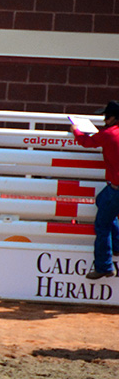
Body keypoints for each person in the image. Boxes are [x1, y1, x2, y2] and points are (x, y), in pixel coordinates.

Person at [71, 101, 119, 279]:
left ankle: (104, 266)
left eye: (106, 116)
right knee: (102, 201)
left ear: (113, 118)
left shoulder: (108, 134)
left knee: (102, 225)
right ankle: (117, 245)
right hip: (114, 189)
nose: (105, 120)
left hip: (116, 188)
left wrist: (75, 129)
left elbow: (86, 141)